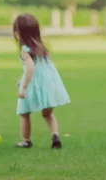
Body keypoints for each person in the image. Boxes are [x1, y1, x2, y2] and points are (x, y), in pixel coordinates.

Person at [13, 13, 70, 149]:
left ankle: (26, 141)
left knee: (24, 112)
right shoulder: (41, 48)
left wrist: (24, 87)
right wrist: (22, 80)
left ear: (18, 33)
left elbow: (31, 69)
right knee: (47, 113)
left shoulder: (24, 51)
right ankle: (55, 136)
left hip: (34, 85)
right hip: (50, 85)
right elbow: (41, 70)